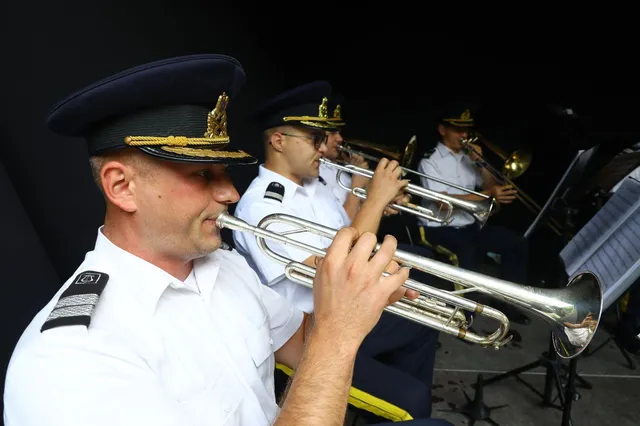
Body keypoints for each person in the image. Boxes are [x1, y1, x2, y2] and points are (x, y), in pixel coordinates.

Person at [2, 55, 453, 426]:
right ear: (121, 187)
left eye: (223, 171)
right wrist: (337, 335)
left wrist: (356, 302)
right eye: (202, 174)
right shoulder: (73, 355)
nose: (231, 193)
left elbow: (301, 343)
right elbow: (326, 344)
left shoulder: (224, 264)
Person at [233, 81, 442, 422]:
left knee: (422, 320)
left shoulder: (316, 186)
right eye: (315, 139)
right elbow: (343, 268)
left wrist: (376, 205)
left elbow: (348, 234)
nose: (325, 147)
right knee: (414, 399)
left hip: (348, 312)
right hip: (314, 331)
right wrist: (374, 199)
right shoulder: (261, 208)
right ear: (278, 142)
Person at [415, 102, 531, 324]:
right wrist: (489, 193)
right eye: (458, 129)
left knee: (516, 243)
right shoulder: (430, 161)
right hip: (438, 229)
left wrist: (482, 165)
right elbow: (442, 203)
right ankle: (462, 318)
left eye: (466, 129)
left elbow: (489, 186)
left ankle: (509, 305)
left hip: (469, 226)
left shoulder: (469, 159)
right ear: (442, 130)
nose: (464, 135)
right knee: (465, 252)